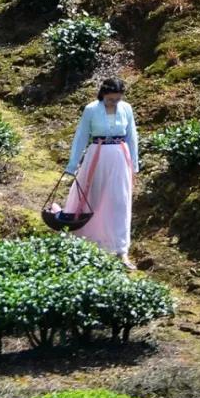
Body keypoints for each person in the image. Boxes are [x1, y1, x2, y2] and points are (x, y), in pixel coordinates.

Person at [62, 77, 140, 264]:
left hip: (120, 158)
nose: (114, 102)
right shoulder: (91, 110)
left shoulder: (126, 109)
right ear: (103, 94)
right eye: (110, 99)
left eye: (117, 99)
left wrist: (135, 164)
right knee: (93, 197)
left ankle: (120, 248)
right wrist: (72, 165)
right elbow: (81, 136)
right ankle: (89, 240)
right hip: (96, 156)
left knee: (119, 200)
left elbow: (132, 136)